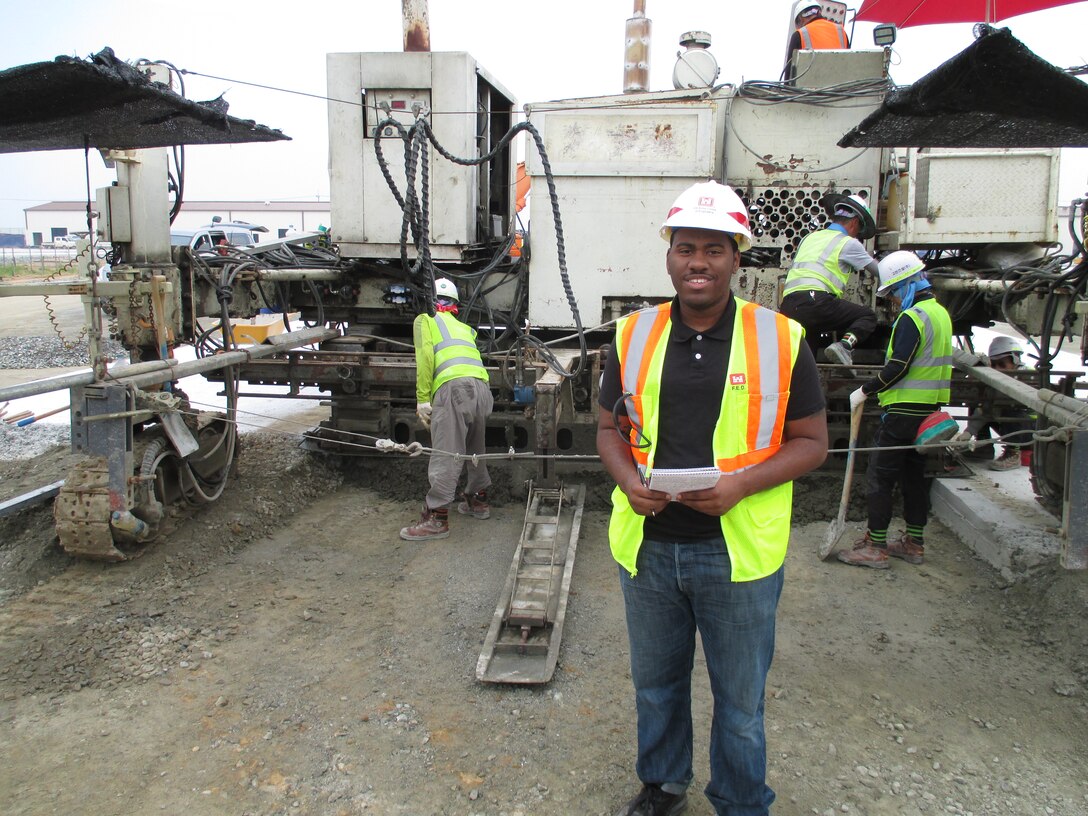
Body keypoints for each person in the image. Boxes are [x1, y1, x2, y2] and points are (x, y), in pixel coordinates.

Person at [597, 180, 828, 815]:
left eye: (714, 249)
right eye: (686, 247)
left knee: (741, 700)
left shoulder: (782, 339)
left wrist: (738, 486)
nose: (698, 262)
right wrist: (627, 481)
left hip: (738, 554)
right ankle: (664, 784)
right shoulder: (631, 335)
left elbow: (812, 443)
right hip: (648, 550)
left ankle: (740, 801)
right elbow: (606, 429)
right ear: (669, 254)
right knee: (657, 686)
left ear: (736, 257)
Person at [838, 251, 953, 569]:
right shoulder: (940, 314)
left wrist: (865, 390)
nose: (893, 300)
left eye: (894, 292)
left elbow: (899, 366)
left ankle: (875, 546)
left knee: (881, 476)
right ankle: (914, 543)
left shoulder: (912, 318)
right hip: (928, 412)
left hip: (903, 412)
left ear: (907, 283)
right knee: (914, 475)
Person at [399, 278, 494, 541]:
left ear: (430, 301)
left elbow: (426, 356)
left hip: (453, 389)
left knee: (446, 451)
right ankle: (478, 500)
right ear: (455, 305)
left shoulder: (425, 321)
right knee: (476, 448)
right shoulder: (465, 328)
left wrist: (422, 398)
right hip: (482, 389)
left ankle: (436, 517)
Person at [779, 192, 880, 371]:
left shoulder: (809, 238)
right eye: (859, 231)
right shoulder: (847, 243)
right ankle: (844, 347)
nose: (858, 235)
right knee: (867, 316)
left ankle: (803, 393)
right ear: (855, 222)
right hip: (816, 302)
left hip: (789, 305)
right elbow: (881, 271)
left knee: (804, 364)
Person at [952, 335, 1033, 471]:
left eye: (1002, 364)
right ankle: (984, 446)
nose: (997, 369)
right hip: (1015, 428)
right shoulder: (1001, 378)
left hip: (1031, 431)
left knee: (1008, 405)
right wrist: (969, 432)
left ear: (1015, 360)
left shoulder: (1027, 377)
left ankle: (1013, 453)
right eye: (994, 364)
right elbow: (986, 409)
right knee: (979, 396)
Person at [784, 5, 850, 81]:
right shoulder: (841, 32)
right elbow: (848, 63)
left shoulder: (799, 34)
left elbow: (789, 75)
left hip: (810, 89)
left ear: (801, 19)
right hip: (841, 88)